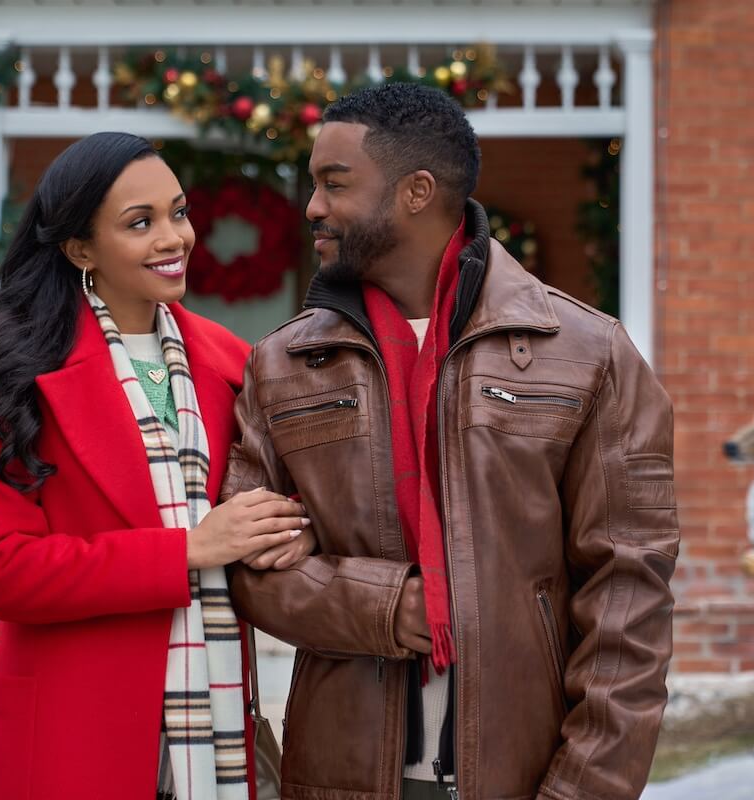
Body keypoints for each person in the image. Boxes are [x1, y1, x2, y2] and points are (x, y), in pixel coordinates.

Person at [226, 84, 679, 800]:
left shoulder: (593, 355)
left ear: (416, 191)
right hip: (339, 777)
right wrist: (389, 605)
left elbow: (629, 598)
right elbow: (248, 567)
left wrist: (583, 790)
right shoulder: (281, 366)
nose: (311, 206)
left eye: (333, 184)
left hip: (525, 776)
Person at [0, 132, 313, 800]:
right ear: (80, 248)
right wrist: (188, 550)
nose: (173, 237)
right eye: (139, 223)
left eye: (178, 212)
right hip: (72, 728)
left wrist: (289, 533)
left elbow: (280, 508)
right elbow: (0, 571)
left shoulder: (238, 360)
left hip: (217, 720)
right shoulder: (9, 367)